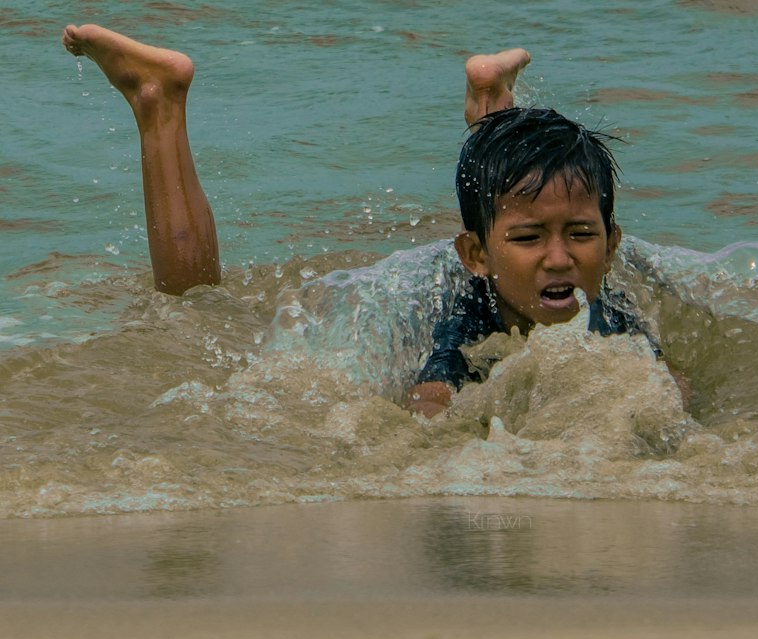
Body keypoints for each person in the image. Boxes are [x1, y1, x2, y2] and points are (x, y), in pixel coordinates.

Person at [61, 24, 687, 414]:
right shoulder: (464, 319)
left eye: (583, 235)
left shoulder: (608, 308)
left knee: (514, 198)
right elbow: (430, 401)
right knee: (195, 309)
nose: (561, 257)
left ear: (612, 243)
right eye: (532, 239)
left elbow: (664, 391)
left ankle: (492, 110)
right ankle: (158, 101)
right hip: (424, 286)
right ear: (474, 256)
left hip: (490, 252)